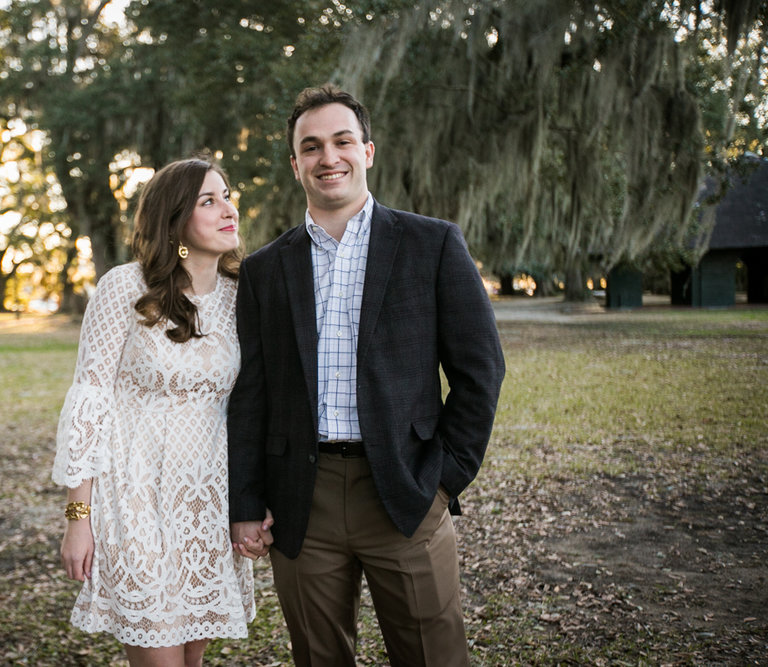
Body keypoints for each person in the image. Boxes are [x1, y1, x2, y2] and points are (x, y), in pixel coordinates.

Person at [227, 84, 506, 666]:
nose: (328, 157)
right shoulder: (263, 270)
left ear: (368, 151)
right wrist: (247, 501)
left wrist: (443, 478)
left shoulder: (432, 244)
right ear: (295, 163)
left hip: (406, 491)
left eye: (341, 141)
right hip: (303, 500)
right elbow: (250, 395)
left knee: (434, 655)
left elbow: (480, 370)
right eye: (311, 146)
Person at [53, 158, 264, 667]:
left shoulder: (245, 296)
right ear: (174, 221)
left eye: (227, 195)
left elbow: (256, 406)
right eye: (207, 201)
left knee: (191, 660)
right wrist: (78, 518)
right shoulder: (125, 288)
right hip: (133, 498)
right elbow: (91, 400)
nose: (227, 208)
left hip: (207, 503)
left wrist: (255, 501)